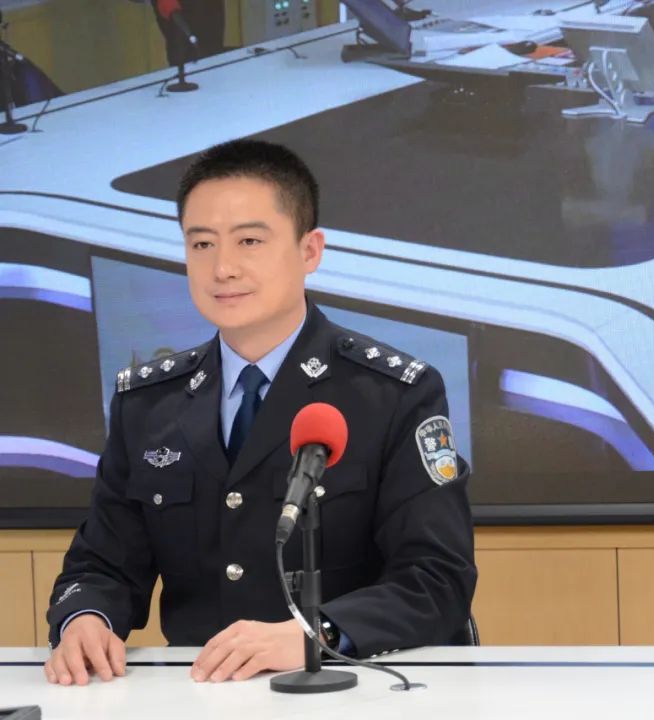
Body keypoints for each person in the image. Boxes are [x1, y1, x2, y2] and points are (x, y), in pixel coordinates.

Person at [43, 139, 477, 686]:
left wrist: (316, 633)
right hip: (200, 694)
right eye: (201, 244)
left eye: (249, 240)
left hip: (350, 690)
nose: (223, 268)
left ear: (309, 251)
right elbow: (101, 564)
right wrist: (85, 618)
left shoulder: (393, 393)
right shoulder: (148, 403)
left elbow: (437, 579)